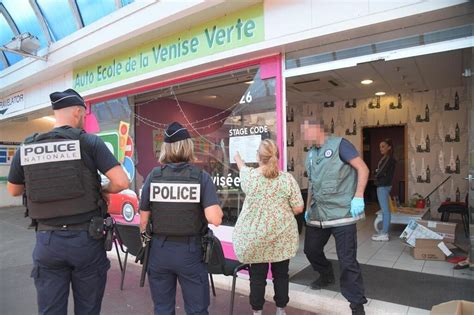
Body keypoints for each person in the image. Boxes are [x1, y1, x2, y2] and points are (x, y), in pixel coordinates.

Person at [7, 88, 129, 314]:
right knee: (88, 309)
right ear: (77, 111)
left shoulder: (28, 146)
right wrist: (100, 189)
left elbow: (13, 190)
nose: (84, 118)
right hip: (86, 240)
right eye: (84, 114)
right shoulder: (89, 143)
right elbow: (122, 181)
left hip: (48, 240)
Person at [139, 122, 223, 315]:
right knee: (197, 310)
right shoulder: (200, 177)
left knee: (162, 308)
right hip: (190, 252)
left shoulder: (154, 176)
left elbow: (143, 222)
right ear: (188, 146)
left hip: (159, 251)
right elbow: (215, 219)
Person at [302, 120, 369, 315]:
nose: (305, 136)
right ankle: (326, 274)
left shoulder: (341, 145)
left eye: (307, 132)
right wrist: (308, 209)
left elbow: (363, 169)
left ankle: (357, 305)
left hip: (341, 215)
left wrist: (358, 196)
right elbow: (312, 185)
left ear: (318, 129)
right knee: (311, 250)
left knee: (347, 261)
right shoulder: (311, 154)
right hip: (318, 215)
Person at [233, 139, 304, 315]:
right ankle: (281, 310)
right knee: (281, 275)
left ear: (258, 156)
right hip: (282, 237)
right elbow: (298, 208)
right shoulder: (287, 179)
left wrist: (237, 157)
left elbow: (242, 168)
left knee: (257, 277)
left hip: (256, 238)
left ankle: (257, 312)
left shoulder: (249, 177)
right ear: (277, 156)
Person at [372, 139, 396, 241]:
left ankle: (384, 233)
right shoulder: (387, 158)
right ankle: (384, 232)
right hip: (384, 185)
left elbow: (380, 172)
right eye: (380, 146)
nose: (381, 148)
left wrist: (375, 173)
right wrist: (377, 172)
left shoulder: (388, 158)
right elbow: (380, 171)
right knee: (385, 210)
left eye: (383, 146)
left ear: (389, 147)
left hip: (383, 186)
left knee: (385, 211)